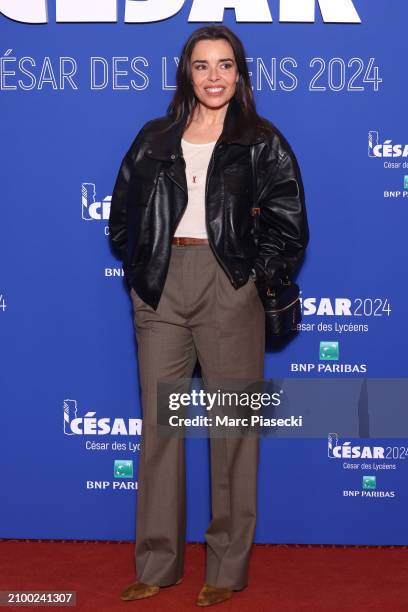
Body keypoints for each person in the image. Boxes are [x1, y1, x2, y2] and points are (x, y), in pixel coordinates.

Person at [108, 24, 309, 607]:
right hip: (163, 287)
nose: (214, 76)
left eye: (225, 65)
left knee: (234, 432)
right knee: (160, 429)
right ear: (186, 73)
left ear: (240, 75)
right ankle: (157, 563)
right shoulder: (155, 138)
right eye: (203, 66)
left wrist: (251, 275)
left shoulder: (262, 141)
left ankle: (224, 570)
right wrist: (147, 268)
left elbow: (289, 226)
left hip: (230, 287)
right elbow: (121, 218)